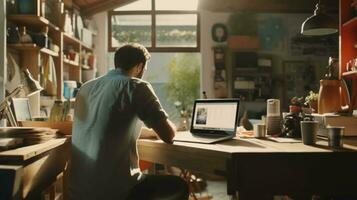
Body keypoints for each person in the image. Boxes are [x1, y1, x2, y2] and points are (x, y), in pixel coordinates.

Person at [70, 43, 189, 200]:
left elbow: (111, 127)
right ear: (139, 66)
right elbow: (168, 135)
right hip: (116, 192)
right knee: (180, 185)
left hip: (79, 191)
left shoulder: (86, 88)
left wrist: (151, 132)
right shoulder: (136, 86)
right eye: (144, 69)